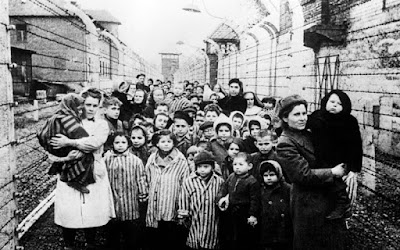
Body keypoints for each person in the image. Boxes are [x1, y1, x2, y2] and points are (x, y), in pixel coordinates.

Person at [275, 94, 347, 250]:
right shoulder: (285, 143)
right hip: (308, 204)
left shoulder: (309, 133)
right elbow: (302, 175)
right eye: (296, 114)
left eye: (304, 113)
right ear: (285, 118)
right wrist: (333, 172)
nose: (302, 118)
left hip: (328, 198)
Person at [49, 88, 115, 250]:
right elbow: (54, 146)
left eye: (95, 105)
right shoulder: (71, 122)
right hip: (68, 170)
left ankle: (90, 242)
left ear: (99, 107)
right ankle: (69, 244)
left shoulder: (101, 124)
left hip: (93, 169)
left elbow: (94, 143)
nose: (91, 108)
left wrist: (69, 142)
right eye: (88, 104)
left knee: (92, 209)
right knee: (69, 208)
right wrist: (66, 156)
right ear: (81, 105)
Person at [307, 89, 363, 219]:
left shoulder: (349, 121)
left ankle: (341, 204)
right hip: (319, 156)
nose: (334, 105)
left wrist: (354, 168)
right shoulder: (317, 116)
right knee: (320, 182)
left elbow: (356, 145)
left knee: (337, 184)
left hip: (339, 158)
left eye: (339, 104)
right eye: (332, 101)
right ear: (325, 102)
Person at [39, 93, 95, 194]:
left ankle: (63, 171)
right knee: (87, 156)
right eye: (78, 107)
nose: (80, 110)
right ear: (71, 106)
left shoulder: (54, 117)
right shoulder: (67, 118)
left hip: (53, 146)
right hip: (62, 147)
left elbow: (40, 133)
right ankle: (75, 180)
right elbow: (82, 135)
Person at [145, 129, 191, 250]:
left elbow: (184, 183)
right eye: (163, 141)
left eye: (169, 141)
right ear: (157, 144)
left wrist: (182, 207)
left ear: (173, 143)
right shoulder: (152, 159)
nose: (166, 144)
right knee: (155, 234)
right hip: (154, 201)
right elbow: (147, 177)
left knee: (169, 232)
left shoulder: (180, 160)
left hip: (171, 200)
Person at [103, 132, 148, 250]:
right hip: (113, 201)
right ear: (112, 144)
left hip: (130, 202)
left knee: (130, 233)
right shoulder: (107, 159)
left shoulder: (135, 161)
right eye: (117, 142)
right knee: (113, 231)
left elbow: (141, 178)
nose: (120, 145)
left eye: (123, 142)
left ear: (128, 144)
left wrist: (143, 194)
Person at [178, 150, 225, 250]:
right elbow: (184, 198)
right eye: (199, 167)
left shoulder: (219, 181)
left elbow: (222, 199)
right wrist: (184, 214)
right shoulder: (189, 181)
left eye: (206, 167)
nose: (202, 170)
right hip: (195, 219)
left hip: (212, 220)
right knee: (195, 240)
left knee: (211, 241)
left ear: (212, 167)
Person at [217, 152, 260, 250]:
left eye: (241, 164)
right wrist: (221, 198)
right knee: (229, 236)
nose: (237, 167)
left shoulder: (252, 181)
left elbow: (255, 200)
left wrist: (252, 215)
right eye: (235, 164)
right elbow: (224, 189)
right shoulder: (231, 177)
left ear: (249, 166)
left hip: (244, 212)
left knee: (243, 238)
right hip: (230, 211)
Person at [259, 160, 293, 250]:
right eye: (266, 176)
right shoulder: (260, 190)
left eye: (272, 175)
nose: (269, 178)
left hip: (284, 228)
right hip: (267, 229)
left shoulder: (287, 189)